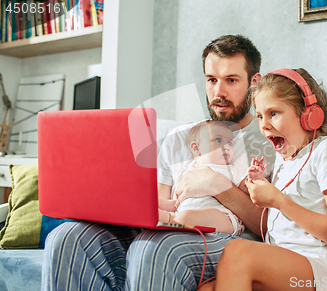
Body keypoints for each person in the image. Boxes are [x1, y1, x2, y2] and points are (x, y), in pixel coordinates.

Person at [42, 35, 275, 291]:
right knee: (66, 238)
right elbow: (156, 211)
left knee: (153, 248)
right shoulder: (180, 138)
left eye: (231, 80)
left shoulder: (272, 143)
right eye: (211, 80)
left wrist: (217, 185)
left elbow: (271, 228)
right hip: (170, 231)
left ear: (255, 83)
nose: (218, 92)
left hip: (230, 239)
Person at [199, 68, 327, 291]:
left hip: (325, 271)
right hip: (284, 267)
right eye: (260, 116)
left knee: (238, 252)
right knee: (207, 288)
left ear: (308, 114)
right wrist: (255, 185)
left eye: (274, 113)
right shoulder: (285, 158)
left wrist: (279, 201)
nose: (264, 125)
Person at [158, 120, 267, 236]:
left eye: (230, 144)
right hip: (182, 214)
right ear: (196, 149)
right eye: (218, 140)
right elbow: (177, 198)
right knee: (159, 210)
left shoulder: (231, 170)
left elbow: (248, 190)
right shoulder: (188, 171)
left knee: (186, 217)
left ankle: (171, 221)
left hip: (223, 217)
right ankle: (169, 219)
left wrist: (254, 178)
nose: (226, 147)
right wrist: (163, 204)